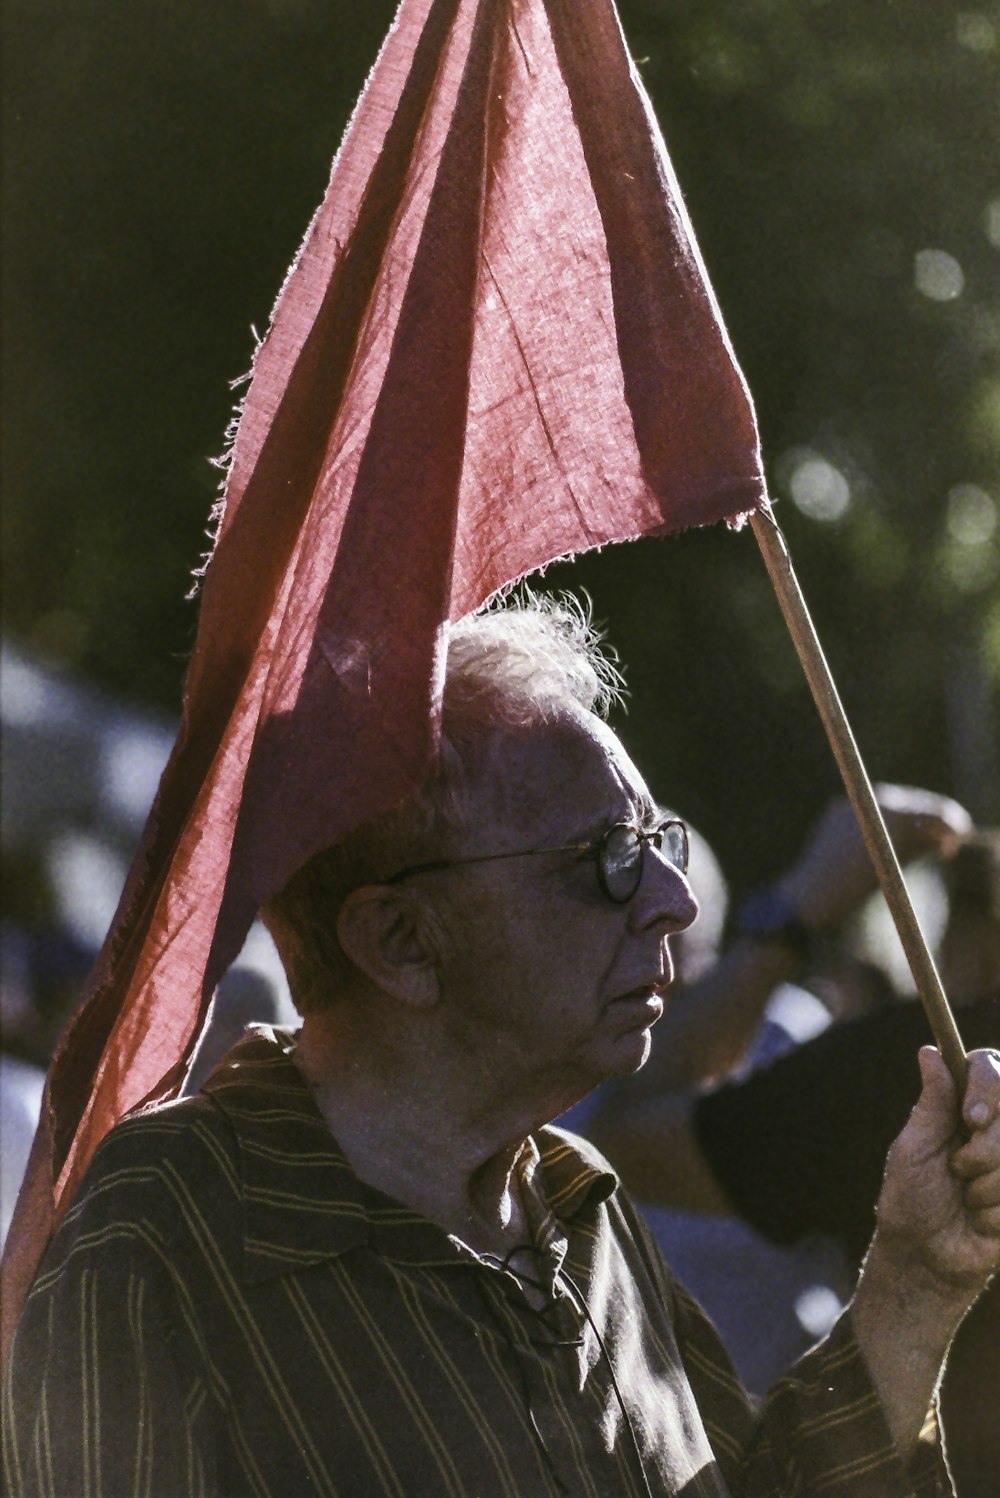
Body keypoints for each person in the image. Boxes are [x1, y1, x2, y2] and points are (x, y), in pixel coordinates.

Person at [3, 596, 999, 1498]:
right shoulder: (168, 1234)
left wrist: (915, 1278)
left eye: (658, 843)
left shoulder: (577, 1200)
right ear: (399, 940)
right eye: (605, 858)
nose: (674, 901)